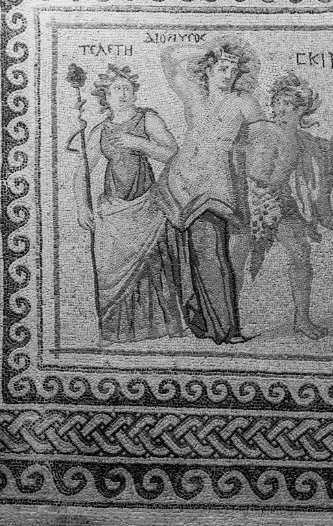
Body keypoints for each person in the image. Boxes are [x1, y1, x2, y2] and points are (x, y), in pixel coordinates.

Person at [151, 38, 264, 344]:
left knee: (212, 253)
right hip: (178, 182)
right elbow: (168, 59)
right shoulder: (193, 93)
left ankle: (227, 329)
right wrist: (205, 52)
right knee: (177, 253)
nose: (228, 74)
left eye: (234, 69)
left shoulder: (244, 102)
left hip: (215, 185)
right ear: (209, 68)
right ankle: (195, 321)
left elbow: (263, 140)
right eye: (222, 67)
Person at [231, 71, 333, 339]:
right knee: (237, 259)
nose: (280, 109)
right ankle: (226, 321)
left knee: (300, 255)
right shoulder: (261, 131)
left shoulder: (306, 142)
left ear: (301, 109)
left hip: (286, 206)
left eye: (288, 104)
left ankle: (302, 319)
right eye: (277, 103)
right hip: (249, 202)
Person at [72, 65, 186, 344]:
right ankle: (113, 331)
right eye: (115, 90)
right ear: (106, 97)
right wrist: (82, 207)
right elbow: (82, 172)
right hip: (113, 209)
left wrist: (138, 143)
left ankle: (164, 327)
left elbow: (173, 154)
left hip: (146, 204)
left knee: (153, 265)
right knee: (109, 268)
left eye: (126, 88)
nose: (121, 94)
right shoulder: (99, 130)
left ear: (134, 92)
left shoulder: (147, 120)